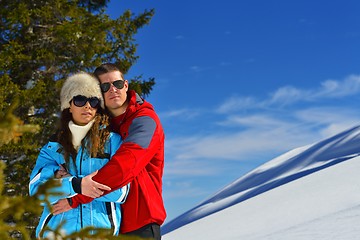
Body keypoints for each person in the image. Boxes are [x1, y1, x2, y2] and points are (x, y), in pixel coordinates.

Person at [56, 63, 166, 240]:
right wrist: (61, 172)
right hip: (109, 224)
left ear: (126, 85)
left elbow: (125, 165)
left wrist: (76, 196)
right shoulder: (101, 126)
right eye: (105, 87)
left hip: (140, 223)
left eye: (118, 84)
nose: (113, 90)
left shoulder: (145, 121)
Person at [29, 72, 129, 238]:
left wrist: (68, 184)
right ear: (70, 104)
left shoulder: (112, 141)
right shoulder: (54, 146)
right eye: (80, 100)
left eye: (93, 101)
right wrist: (76, 184)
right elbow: (37, 192)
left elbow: (121, 191)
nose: (87, 106)